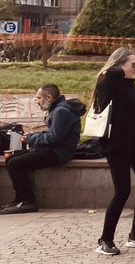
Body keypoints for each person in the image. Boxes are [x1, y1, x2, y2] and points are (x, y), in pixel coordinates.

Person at [93, 48, 135, 256]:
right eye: (133, 64)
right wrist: (119, 65)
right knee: (123, 191)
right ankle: (105, 239)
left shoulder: (133, 88)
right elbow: (110, 73)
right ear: (119, 65)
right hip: (117, 144)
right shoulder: (107, 82)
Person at [0, 84, 81, 214]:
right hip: (53, 149)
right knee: (12, 158)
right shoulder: (58, 109)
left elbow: (54, 138)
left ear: (48, 97)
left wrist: (31, 139)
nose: (37, 102)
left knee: (16, 163)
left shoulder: (62, 111)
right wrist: (33, 137)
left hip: (58, 153)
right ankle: (19, 199)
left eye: (38, 98)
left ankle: (28, 202)